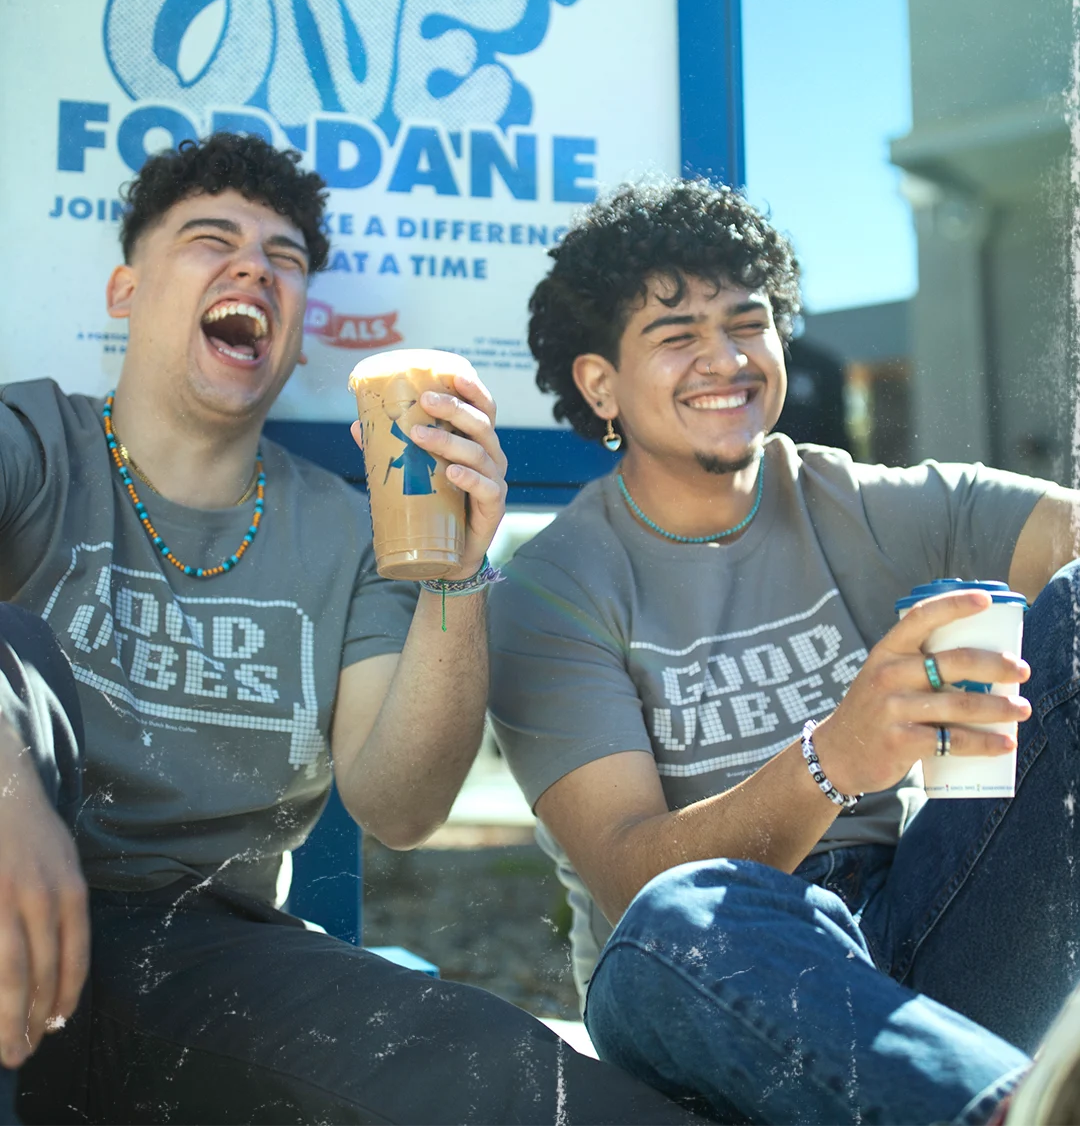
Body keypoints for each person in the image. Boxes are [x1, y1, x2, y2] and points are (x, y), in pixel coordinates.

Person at [0, 135, 710, 1124]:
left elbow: (400, 805)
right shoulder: (32, 444)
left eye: (284, 258)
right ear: (126, 290)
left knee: (514, 1078)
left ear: (296, 326)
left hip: (210, 967)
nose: (254, 266)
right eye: (211, 239)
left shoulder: (352, 530)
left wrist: (458, 576)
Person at [488, 177, 1080, 1125]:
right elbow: (628, 874)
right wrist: (835, 757)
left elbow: (1067, 536)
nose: (724, 359)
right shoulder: (550, 589)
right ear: (599, 381)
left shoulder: (857, 500)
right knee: (681, 910)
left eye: (746, 323)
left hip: (914, 929)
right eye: (677, 336)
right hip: (706, 982)